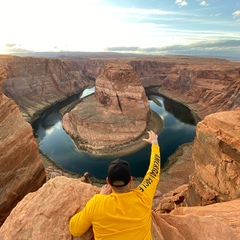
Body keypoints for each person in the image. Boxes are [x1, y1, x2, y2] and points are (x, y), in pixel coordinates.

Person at [69, 130, 160, 240]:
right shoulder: (143, 196)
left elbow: (75, 229)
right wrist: (155, 144)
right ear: (131, 180)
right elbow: (153, 172)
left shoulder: (97, 203)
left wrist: (101, 197)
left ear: (108, 181)